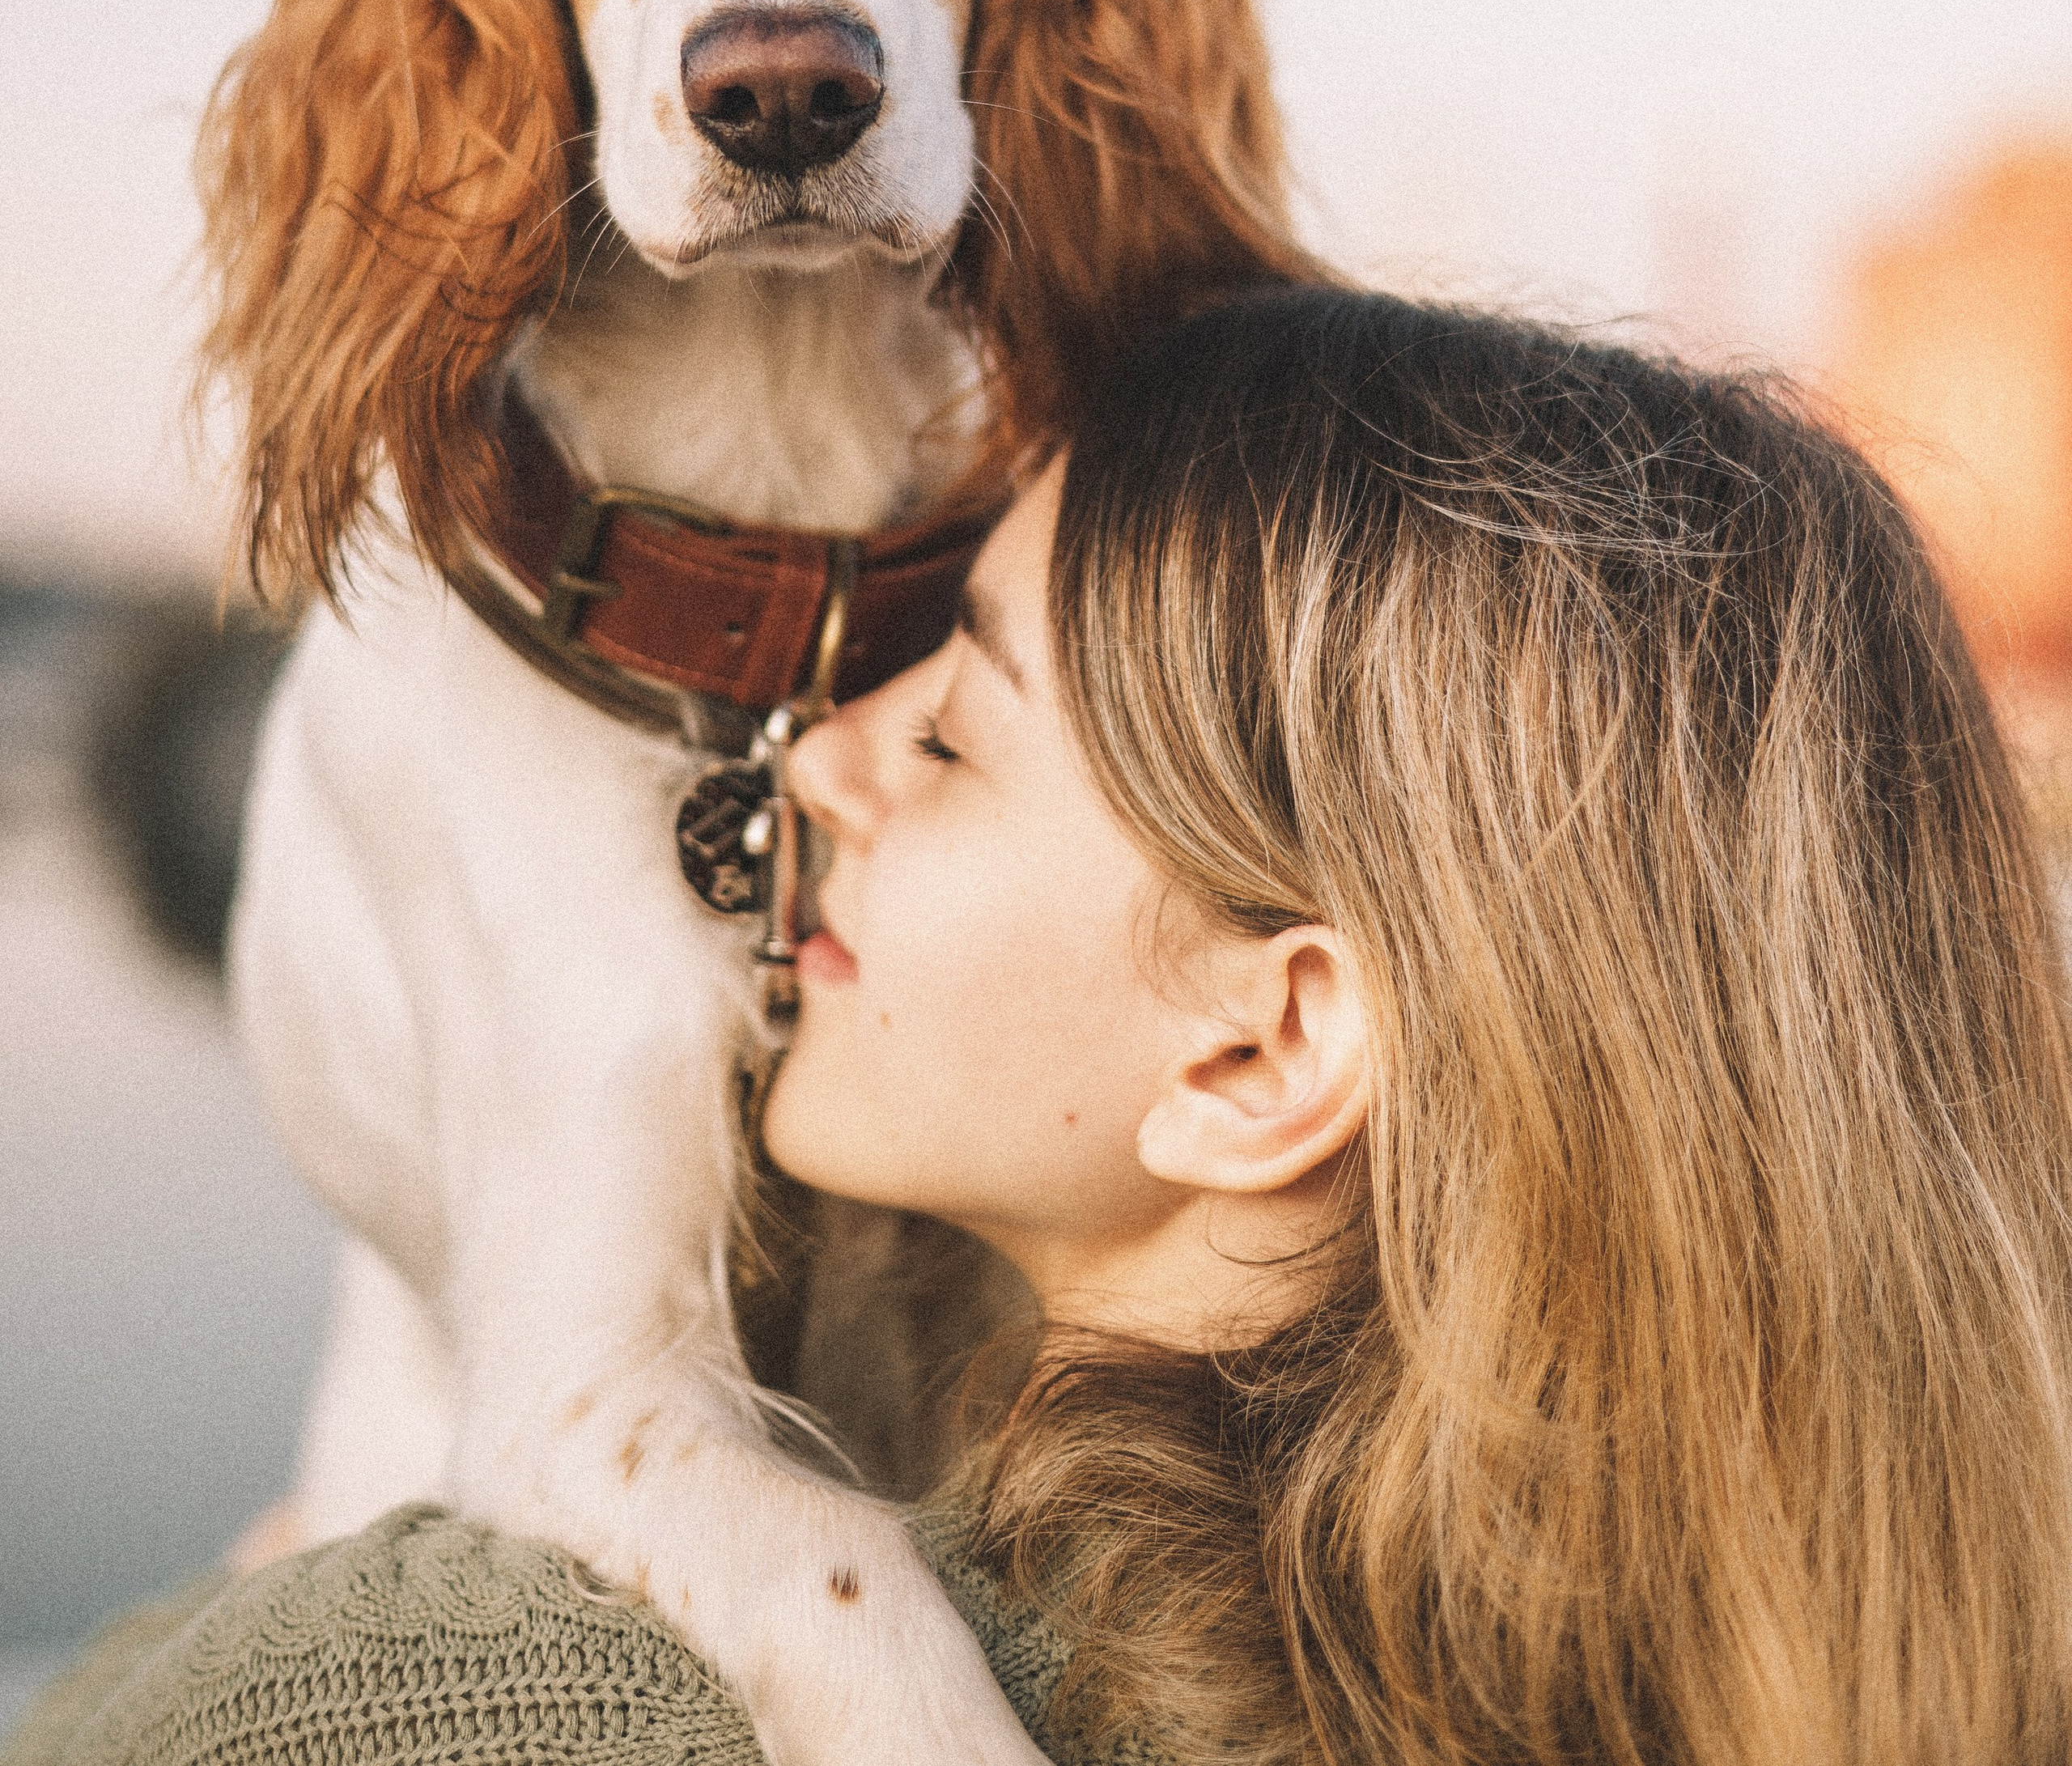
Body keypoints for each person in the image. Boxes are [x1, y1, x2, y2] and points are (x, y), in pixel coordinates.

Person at [15, 291, 2072, 1766]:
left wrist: (266, 1617)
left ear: (1261, 1054)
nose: (822, 759)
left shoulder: (503, 1696)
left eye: (954, 718)